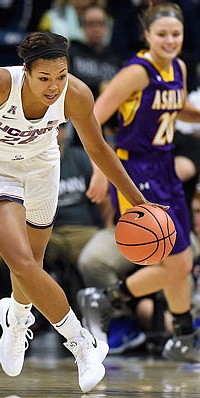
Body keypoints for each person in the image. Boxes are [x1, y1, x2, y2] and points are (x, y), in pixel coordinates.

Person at [0, 30, 163, 393]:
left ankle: (16, 318)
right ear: (25, 72)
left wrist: (139, 203)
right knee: (24, 264)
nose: (53, 86)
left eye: (60, 76)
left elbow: (99, 150)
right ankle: (82, 344)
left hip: (42, 166)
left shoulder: (75, 93)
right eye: (44, 78)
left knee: (33, 264)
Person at [78, 2, 200, 362]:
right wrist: (101, 169)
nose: (169, 40)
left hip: (164, 168)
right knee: (174, 259)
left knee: (181, 263)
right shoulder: (137, 71)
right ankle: (181, 335)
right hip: (135, 172)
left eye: (175, 34)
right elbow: (94, 115)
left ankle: (110, 301)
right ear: (147, 36)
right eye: (161, 34)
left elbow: (175, 107)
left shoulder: (178, 67)